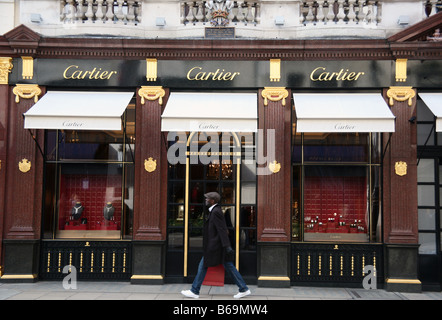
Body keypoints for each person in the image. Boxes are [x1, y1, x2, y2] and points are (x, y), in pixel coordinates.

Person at [181, 192, 251, 299]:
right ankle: (243, 288)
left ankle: (194, 291)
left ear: (212, 201)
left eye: (207, 199)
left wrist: (227, 246)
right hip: (217, 246)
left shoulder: (216, 212)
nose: (205, 200)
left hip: (216, 247)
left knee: (204, 266)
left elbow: (222, 230)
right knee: (227, 267)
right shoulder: (214, 211)